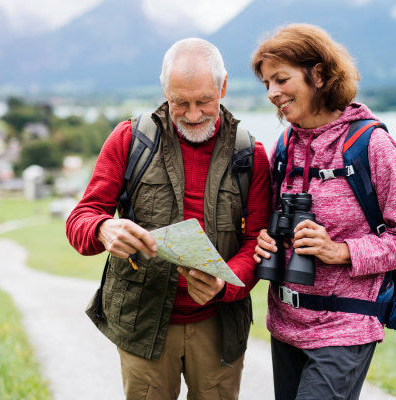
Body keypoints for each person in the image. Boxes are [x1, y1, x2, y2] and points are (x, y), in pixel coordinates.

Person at [66, 38, 271, 400]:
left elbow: (257, 242)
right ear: (165, 91)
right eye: (180, 102)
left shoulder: (250, 154)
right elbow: (81, 218)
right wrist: (102, 228)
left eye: (204, 101)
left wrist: (225, 285)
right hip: (142, 326)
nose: (193, 115)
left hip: (218, 327)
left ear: (223, 87)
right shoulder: (129, 139)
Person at [251, 24, 396, 400]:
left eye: (281, 79)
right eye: (267, 83)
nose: (272, 93)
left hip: (345, 326)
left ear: (318, 73)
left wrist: (341, 251)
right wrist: (266, 238)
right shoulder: (285, 145)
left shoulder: (372, 145)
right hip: (285, 322)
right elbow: (266, 219)